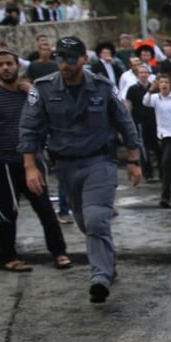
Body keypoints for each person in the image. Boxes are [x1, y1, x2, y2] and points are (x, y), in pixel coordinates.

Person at [19, 36, 142, 303]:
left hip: (99, 162)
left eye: (70, 58)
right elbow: (30, 130)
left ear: (84, 60)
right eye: (60, 58)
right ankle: (107, 260)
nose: (64, 63)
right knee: (85, 221)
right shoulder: (42, 89)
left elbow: (125, 123)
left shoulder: (102, 86)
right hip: (65, 165)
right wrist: (30, 166)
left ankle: (99, 277)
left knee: (97, 218)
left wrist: (133, 160)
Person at [0, 48, 71, 272]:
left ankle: (59, 252)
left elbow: (56, 110)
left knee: (45, 208)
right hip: (1, 162)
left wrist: (31, 92)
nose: (5, 68)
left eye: (9, 63)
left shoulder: (32, 92)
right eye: (0, 65)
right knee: (8, 211)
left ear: (18, 66)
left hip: (33, 160)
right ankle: (7, 257)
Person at [143, 74, 171, 208]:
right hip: (163, 135)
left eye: (166, 82)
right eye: (161, 82)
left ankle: (165, 196)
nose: (164, 85)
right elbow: (145, 101)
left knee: (166, 162)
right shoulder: (156, 98)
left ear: (170, 85)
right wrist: (151, 89)